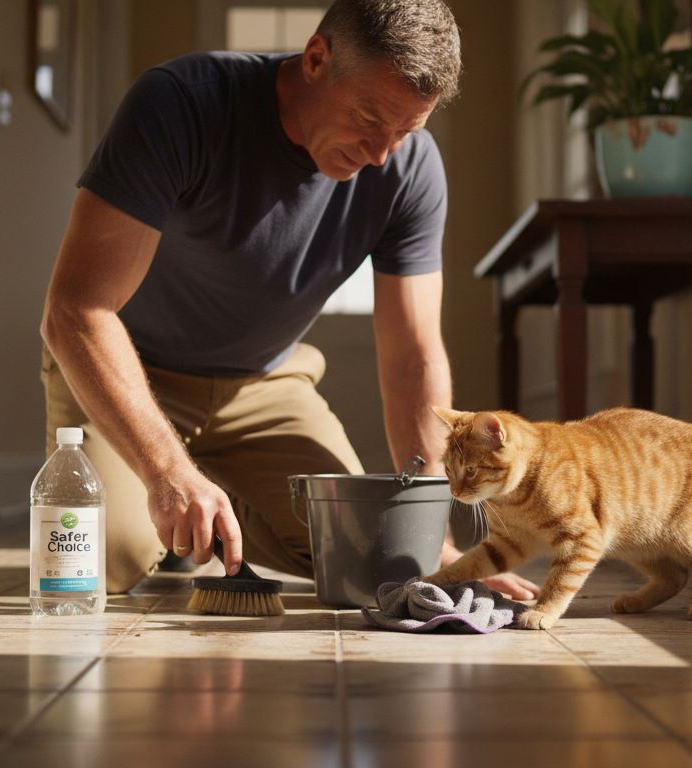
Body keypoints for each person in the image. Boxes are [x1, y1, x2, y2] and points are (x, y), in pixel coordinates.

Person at [40, 0, 538, 600]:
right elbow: (76, 311)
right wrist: (167, 473)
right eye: (368, 117)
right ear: (316, 58)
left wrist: (428, 535)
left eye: (407, 131)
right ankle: (176, 508)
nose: (381, 154)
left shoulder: (410, 170)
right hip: (132, 373)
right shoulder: (180, 103)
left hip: (266, 388)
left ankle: (210, 507)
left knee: (378, 555)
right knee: (101, 560)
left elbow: (412, 355)